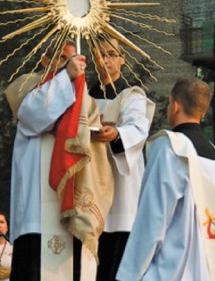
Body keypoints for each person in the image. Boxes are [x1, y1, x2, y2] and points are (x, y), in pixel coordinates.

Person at [4, 39, 114, 281]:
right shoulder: (28, 88)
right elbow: (36, 115)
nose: (71, 65)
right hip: (37, 211)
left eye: (75, 59)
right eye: (64, 59)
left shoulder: (82, 95)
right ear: (46, 60)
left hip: (73, 204)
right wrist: (66, 75)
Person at [116, 77, 215, 281]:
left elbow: (152, 218)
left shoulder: (170, 147)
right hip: (208, 268)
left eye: (169, 103)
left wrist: (128, 275)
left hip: (172, 270)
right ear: (203, 112)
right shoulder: (214, 154)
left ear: (175, 106)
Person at [88, 38, 155, 281]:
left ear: (122, 58)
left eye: (111, 54)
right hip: (91, 184)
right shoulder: (84, 96)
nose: (105, 59)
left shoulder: (132, 96)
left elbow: (138, 129)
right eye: (100, 54)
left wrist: (117, 134)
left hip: (121, 191)